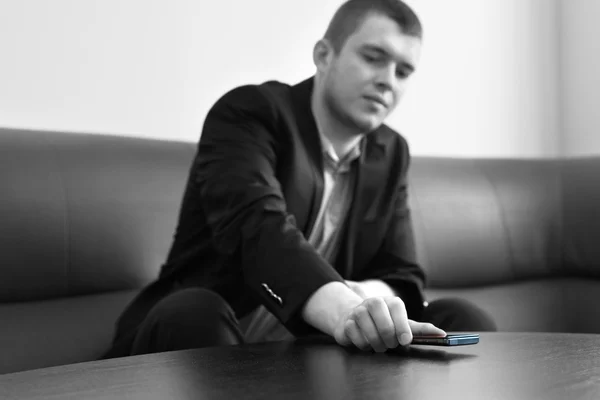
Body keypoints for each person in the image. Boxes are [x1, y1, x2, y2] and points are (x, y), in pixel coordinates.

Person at [102, 0, 496, 359]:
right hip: (203, 338)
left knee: (461, 317)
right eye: (374, 58)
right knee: (193, 310)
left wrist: (367, 298)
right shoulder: (248, 114)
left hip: (308, 353)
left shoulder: (391, 152)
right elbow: (258, 230)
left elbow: (403, 274)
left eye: (403, 71)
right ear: (324, 55)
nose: (388, 81)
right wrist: (344, 307)